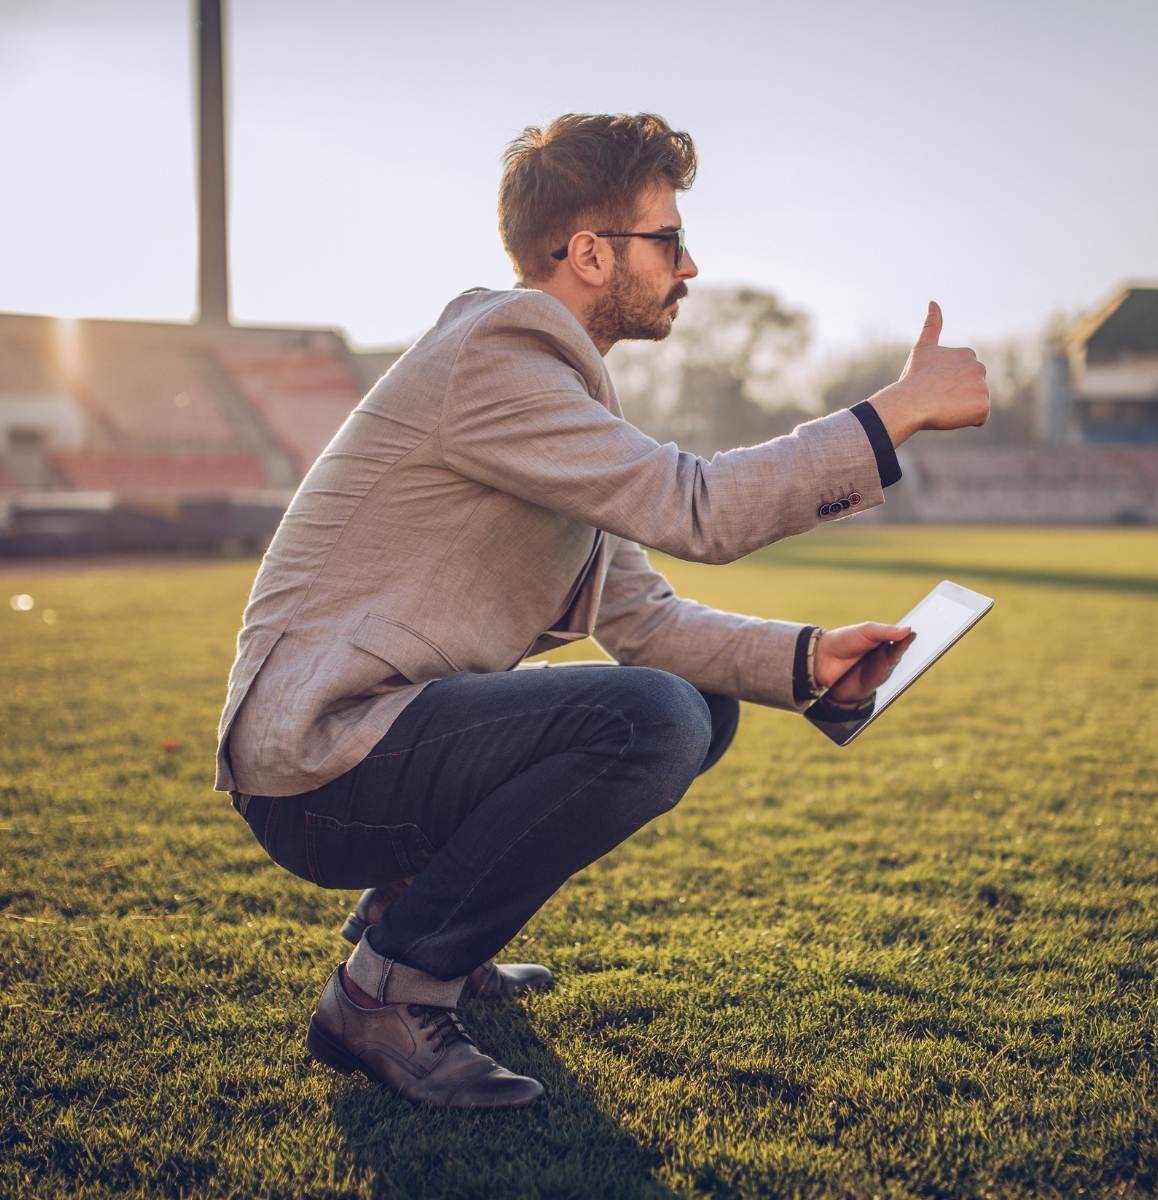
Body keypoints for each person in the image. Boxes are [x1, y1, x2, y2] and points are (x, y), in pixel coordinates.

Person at [215, 112, 989, 1110]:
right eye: (667, 240)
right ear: (588, 252)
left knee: (690, 703)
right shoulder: (497, 356)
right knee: (653, 716)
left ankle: (416, 919)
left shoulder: (554, 399)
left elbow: (648, 624)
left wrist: (808, 663)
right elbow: (697, 508)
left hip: (379, 748)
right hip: (320, 764)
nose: (690, 264)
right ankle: (387, 992)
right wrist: (895, 414)